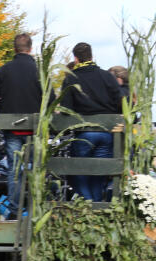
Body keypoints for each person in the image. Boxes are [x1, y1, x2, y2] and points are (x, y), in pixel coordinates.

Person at [0, 33, 49, 211]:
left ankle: (15, 209)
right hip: (35, 129)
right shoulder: (40, 71)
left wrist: (4, 106)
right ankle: (36, 208)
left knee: (15, 170)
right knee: (37, 168)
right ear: (31, 49)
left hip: (12, 127)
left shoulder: (4, 70)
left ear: (15, 49)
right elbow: (50, 98)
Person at [60, 42, 124, 202]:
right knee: (99, 174)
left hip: (84, 134)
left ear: (76, 59)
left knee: (78, 172)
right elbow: (120, 102)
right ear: (91, 56)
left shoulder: (71, 79)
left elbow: (65, 109)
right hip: (107, 133)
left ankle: (88, 204)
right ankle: (96, 208)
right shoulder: (107, 76)